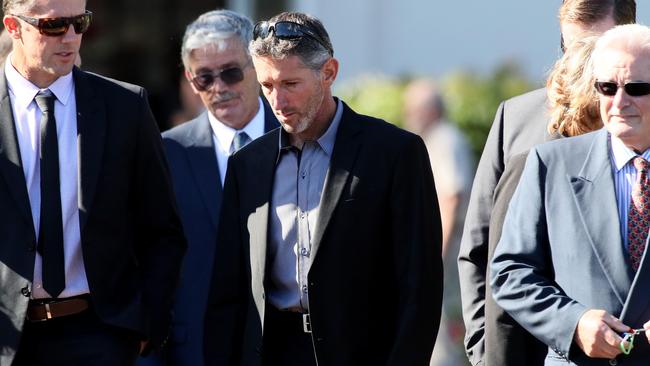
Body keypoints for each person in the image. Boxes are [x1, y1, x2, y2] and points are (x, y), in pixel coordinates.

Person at [203, 11, 443, 366]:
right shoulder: (247, 165)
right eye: (267, 86)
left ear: (328, 72)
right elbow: (228, 290)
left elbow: (419, 284)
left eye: (290, 84)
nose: (277, 101)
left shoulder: (394, 154)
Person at [0, 0, 187, 365]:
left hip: (99, 334)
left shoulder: (124, 106)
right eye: (53, 26)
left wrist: (143, 324)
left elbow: (162, 229)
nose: (70, 38)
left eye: (79, 22)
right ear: (13, 26)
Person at [457, 1, 636, 365]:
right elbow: (482, 250)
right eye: (570, 49)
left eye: (593, 51)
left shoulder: (636, 117)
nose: (580, 65)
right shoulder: (519, 122)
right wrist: (482, 352)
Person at [138, 10, 280, 366]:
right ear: (189, 79)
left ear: (258, 67)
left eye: (231, 72)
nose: (219, 88)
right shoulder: (166, 153)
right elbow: (148, 264)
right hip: (194, 350)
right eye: (204, 78)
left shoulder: (298, 140)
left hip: (287, 347)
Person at [403, 79, 474, 366]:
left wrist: (437, 251)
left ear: (431, 110)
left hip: (448, 253)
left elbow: (451, 196)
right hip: (441, 252)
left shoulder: (445, 139)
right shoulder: (435, 139)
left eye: (413, 108)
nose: (408, 114)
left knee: (443, 330)